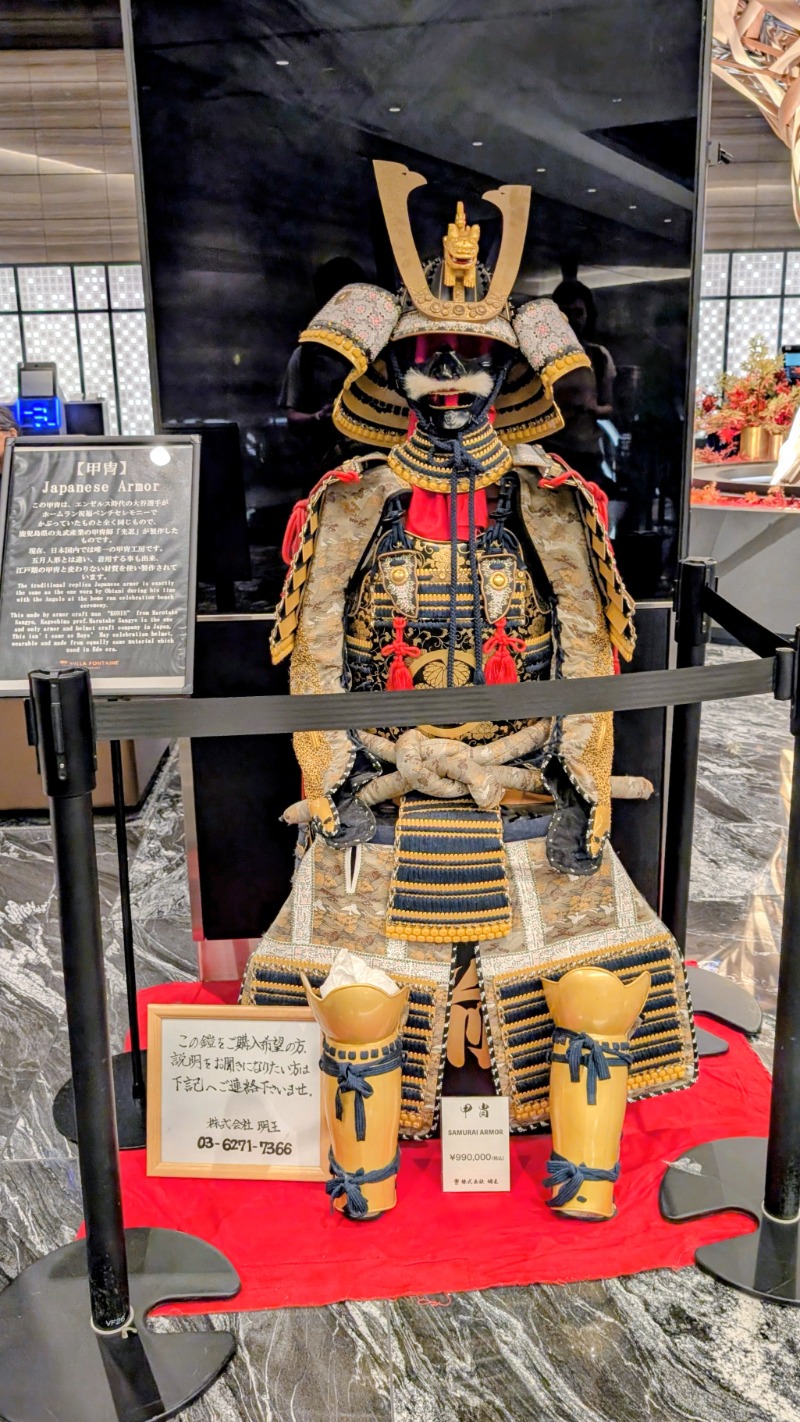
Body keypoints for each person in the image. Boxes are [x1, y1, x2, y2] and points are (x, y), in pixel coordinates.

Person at [240, 161, 696, 1206]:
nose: (448, 384)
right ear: (387, 375)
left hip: (522, 774)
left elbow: (585, 646)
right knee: (351, 991)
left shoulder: (550, 499)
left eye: (472, 361)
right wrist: (330, 772)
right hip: (381, 783)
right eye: (425, 362)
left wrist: (579, 770)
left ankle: (579, 1168)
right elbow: (315, 646)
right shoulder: (349, 500)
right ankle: (364, 1170)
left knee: (593, 980)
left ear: (509, 374)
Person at [543, 278, 618, 496]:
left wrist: (591, 408)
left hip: (586, 454)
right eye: (566, 312)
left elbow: (610, 408)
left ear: (588, 315)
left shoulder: (598, 356)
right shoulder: (540, 357)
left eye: (579, 313)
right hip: (549, 450)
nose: (573, 320)